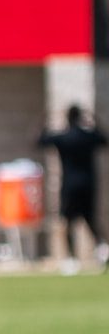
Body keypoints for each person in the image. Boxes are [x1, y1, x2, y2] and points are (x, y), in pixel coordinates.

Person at [37, 104, 108, 273]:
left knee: (68, 223)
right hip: (88, 185)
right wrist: (95, 119)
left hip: (69, 186)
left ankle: (71, 259)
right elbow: (104, 139)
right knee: (91, 220)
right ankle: (102, 248)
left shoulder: (64, 137)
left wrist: (43, 120)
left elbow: (39, 141)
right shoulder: (88, 136)